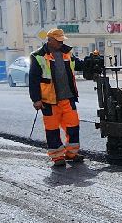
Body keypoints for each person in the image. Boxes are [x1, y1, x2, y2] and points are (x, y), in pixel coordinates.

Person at [29, 27, 84, 167]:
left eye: (62, 40)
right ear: (50, 40)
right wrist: (36, 99)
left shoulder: (66, 53)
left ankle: (72, 153)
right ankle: (57, 156)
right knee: (52, 130)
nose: (61, 43)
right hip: (49, 101)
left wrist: (90, 63)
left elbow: (77, 64)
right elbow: (33, 80)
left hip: (68, 98)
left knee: (73, 126)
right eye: (58, 41)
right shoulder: (38, 56)